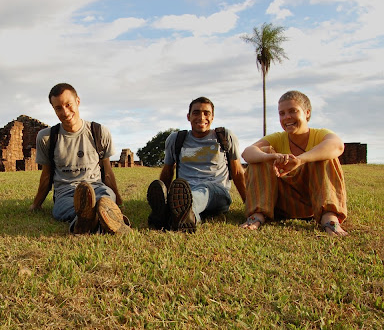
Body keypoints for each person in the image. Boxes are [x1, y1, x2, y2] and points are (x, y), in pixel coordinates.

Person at [240, 90, 348, 236]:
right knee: (261, 153)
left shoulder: (319, 135)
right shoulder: (278, 138)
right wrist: (270, 157)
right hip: (281, 205)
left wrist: (300, 160)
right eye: (282, 113)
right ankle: (258, 214)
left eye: (293, 111)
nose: (287, 117)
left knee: (325, 154)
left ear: (307, 113)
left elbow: (337, 145)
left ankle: (329, 217)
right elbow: (247, 152)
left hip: (312, 202)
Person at [29, 83, 131, 234]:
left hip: (97, 188)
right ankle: (107, 221)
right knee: (63, 209)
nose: (65, 112)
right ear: (54, 110)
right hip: (66, 193)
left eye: (68, 104)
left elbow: (107, 172)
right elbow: (46, 175)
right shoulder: (47, 137)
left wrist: (119, 200)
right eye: (58, 108)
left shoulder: (99, 132)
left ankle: (86, 223)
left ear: (78, 101)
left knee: (106, 198)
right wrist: (36, 204)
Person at [147, 97, 246, 232]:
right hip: (185, 191)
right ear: (188, 117)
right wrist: (164, 192)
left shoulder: (224, 136)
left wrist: (249, 205)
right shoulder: (176, 139)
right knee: (190, 204)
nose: (201, 117)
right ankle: (183, 217)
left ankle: (173, 211)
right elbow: (168, 170)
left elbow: (238, 172)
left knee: (204, 188)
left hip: (217, 192)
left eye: (206, 113)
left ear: (213, 117)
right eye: (196, 113)